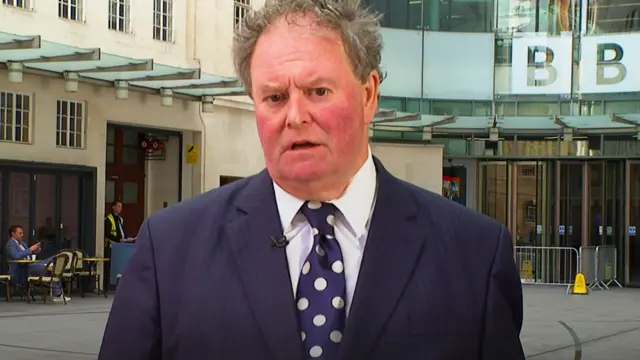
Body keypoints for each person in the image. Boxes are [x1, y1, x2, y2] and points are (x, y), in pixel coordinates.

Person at [99, 0, 525, 359]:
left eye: (318, 91)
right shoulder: (171, 249)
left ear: (368, 95)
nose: (296, 116)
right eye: (275, 97)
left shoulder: (474, 255)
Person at [5, 225, 70, 302]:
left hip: (30, 265)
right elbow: (16, 256)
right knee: (48, 268)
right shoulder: (10, 244)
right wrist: (30, 249)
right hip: (22, 268)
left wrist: (35, 251)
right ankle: (57, 294)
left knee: (54, 257)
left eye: (22, 233)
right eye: (20, 233)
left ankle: (51, 265)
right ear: (13, 234)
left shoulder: (22, 243)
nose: (22, 235)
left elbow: (27, 254)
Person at [103, 201, 135, 289]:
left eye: (121, 206)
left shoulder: (120, 219)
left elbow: (122, 232)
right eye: (118, 206)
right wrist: (118, 239)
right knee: (109, 267)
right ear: (113, 207)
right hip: (110, 247)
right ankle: (108, 285)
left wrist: (127, 238)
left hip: (120, 247)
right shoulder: (108, 219)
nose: (120, 208)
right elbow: (107, 234)